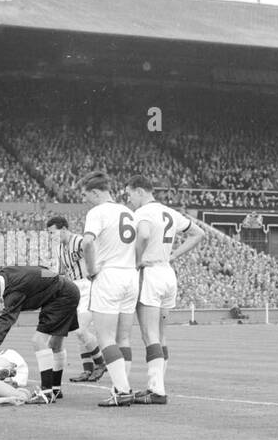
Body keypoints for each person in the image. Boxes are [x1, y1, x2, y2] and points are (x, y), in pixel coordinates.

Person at [127, 175, 202, 404]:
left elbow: (145, 235)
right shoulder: (169, 212)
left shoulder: (143, 213)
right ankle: (155, 384)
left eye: (130, 194)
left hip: (150, 274)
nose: (129, 199)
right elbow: (198, 233)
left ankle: (157, 390)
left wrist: (137, 260)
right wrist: (175, 255)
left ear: (140, 191)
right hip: (168, 273)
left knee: (149, 334)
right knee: (161, 334)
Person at [0, 264, 81, 403]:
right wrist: (55, 275)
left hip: (61, 296)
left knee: (38, 341)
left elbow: (5, 322)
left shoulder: (14, 291)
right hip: (66, 291)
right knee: (55, 344)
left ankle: (47, 393)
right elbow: (39, 269)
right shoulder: (6, 273)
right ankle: (55, 389)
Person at [79, 172, 138, 407]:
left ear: (96, 192)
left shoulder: (97, 212)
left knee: (105, 337)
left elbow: (87, 242)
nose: (85, 200)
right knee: (124, 337)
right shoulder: (128, 212)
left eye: (86, 195)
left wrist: (92, 270)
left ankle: (122, 391)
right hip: (130, 275)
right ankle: (122, 387)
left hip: (109, 275)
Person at [45, 215, 106, 383]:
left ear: (64, 229)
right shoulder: (59, 249)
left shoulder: (79, 241)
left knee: (80, 330)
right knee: (78, 332)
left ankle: (101, 363)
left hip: (88, 286)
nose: (52, 236)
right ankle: (88, 370)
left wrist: (95, 272)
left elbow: (96, 252)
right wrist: (38, 273)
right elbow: (59, 272)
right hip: (74, 289)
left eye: (53, 232)